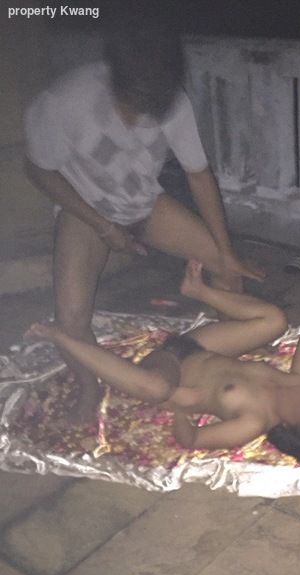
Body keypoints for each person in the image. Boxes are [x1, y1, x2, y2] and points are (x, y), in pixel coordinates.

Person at [24, 25, 263, 423]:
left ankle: (221, 364)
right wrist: (103, 226)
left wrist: (226, 252)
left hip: (145, 203)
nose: (146, 105)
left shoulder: (173, 101)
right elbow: (38, 170)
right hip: (85, 210)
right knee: (70, 318)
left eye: (157, 93)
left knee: (226, 269)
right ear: (115, 73)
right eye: (138, 94)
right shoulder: (65, 101)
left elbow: (199, 175)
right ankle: (89, 387)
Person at [27, 261, 300, 464]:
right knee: (276, 321)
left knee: (155, 388)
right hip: (202, 343)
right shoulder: (297, 382)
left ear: (292, 428)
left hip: (170, 368)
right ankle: (198, 290)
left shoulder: (252, 423)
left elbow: (191, 440)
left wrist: (181, 409)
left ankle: (62, 338)